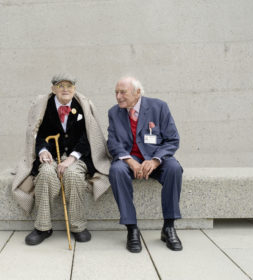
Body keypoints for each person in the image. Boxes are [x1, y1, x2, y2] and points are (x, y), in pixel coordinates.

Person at [11, 73, 110, 246]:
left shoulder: (82, 106)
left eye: (69, 86)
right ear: (53, 89)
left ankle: (78, 226)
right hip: (52, 155)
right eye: (60, 85)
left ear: (74, 89)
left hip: (77, 157)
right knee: (47, 174)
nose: (65, 89)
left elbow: (90, 135)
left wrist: (72, 157)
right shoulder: (44, 106)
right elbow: (37, 134)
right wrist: (42, 151)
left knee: (72, 175)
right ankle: (42, 227)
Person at [107, 77, 183, 252]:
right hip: (130, 159)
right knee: (116, 171)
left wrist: (156, 160)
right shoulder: (114, 112)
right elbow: (113, 143)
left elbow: (172, 140)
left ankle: (169, 227)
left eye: (123, 92)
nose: (118, 97)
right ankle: (132, 228)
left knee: (174, 168)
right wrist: (130, 161)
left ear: (138, 92)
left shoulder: (159, 107)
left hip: (156, 157)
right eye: (116, 92)